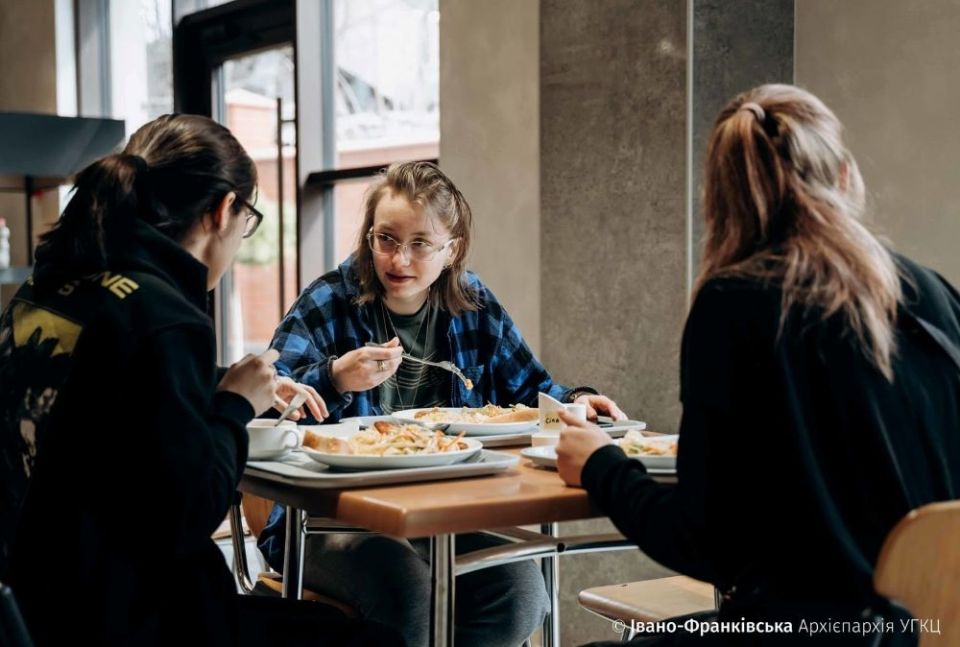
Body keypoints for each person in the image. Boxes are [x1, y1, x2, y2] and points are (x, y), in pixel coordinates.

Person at [556, 84, 960, 646]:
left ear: (720, 199)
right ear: (845, 176)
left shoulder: (733, 304)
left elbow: (707, 545)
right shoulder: (931, 293)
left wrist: (601, 465)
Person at [0, 114, 397, 646]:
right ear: (223, 211)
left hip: (39, 600)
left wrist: (216, 382)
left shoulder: (52, 284)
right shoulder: (167, 315)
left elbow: (105, 389)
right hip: (126, 617)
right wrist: (234, 404)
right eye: (247, 220)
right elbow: (188, 511)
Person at [261, 160, 626, 646]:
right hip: (329, 521)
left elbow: (530, 392)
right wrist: (334, 377)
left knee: (520, 594)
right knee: (409, 593)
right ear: (369, 236)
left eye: (419, 244)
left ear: (450, 250)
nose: (399, 260)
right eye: (386, 238)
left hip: (438, 516)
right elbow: (270, 404)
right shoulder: (330, 299)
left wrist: (579, 402)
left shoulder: (473, 305)